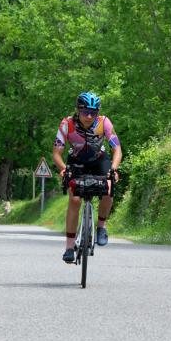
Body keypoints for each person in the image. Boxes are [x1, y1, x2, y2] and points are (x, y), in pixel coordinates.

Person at [53, 91, 122, 263]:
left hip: (99, 159)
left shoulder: (104, 122)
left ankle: (101, 227)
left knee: (109, 186)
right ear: (78, 110)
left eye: (93, 112)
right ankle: (69, 247)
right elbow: (56, 153)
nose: (89, 116)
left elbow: (117, 149)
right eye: (85, 112)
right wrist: (63, 168)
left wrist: (113, 169)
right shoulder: (67, 124)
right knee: (75, 200)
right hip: (76, 161)